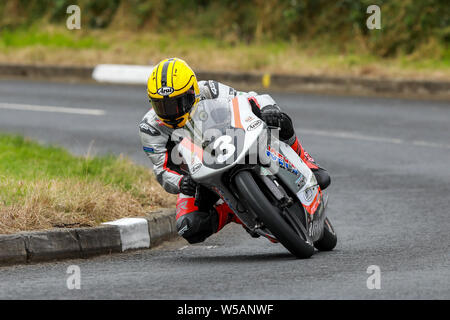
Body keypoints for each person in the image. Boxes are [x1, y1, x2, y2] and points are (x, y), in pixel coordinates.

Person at [139, 57, 330, 244]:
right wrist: (182, 182)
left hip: (235, 140)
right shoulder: (150, 127)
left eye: (176, 103)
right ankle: (233, 211)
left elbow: (246, 99)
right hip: (198, 178)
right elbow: (162, 169)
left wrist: (268, 109)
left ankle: (307, 162)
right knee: (189, 227)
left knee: (281, 122)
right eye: (161, 106)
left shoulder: (209, 90)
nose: (170, 112)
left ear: (192, 92)